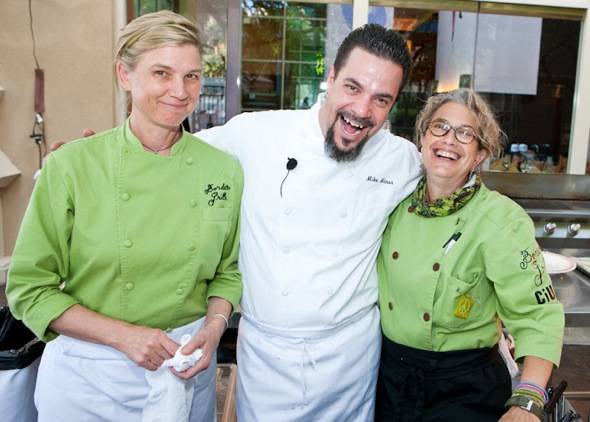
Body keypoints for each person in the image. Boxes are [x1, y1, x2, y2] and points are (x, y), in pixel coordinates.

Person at [7, 11, 242, 422]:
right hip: (90, 380)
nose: (179, 90)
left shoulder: (222, 170)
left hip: (186, 370)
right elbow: (30, 289)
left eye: (190, 76)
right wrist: (124, 336)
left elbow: (228, 270)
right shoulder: (72, 166)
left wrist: (214, 327)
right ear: (124, 75)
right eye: (162, 73)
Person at [196, 24, 421, 420]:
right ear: (330, 78)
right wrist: (99, 157)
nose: (362, 111)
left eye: (381, 99)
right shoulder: (257, 134)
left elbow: (456, 201)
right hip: (268, 355)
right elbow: (177, 157)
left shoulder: (401, 159)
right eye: (352, 87)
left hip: (349, 358)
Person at [375, 89, 564, 422]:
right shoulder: (393, 206)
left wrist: (529, 398)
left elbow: (538, 315)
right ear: (421, 138)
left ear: (479, 155)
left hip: (463, 389)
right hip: (390, 380)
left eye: (466, 134)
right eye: (440, 127)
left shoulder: (500, 219)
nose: (449, 139)